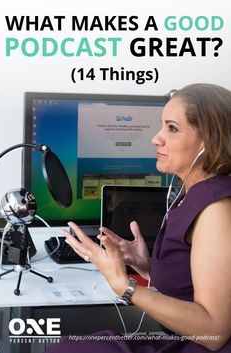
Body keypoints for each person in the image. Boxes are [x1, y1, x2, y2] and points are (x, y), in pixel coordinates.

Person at [45, 83, 231, 352]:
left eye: (172, 128)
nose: (157, 138)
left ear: (209, 140)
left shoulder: (217, 209)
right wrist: (146, 266)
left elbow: (214, 331)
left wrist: (125, 285)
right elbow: (196, 283)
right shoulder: (191, 193)